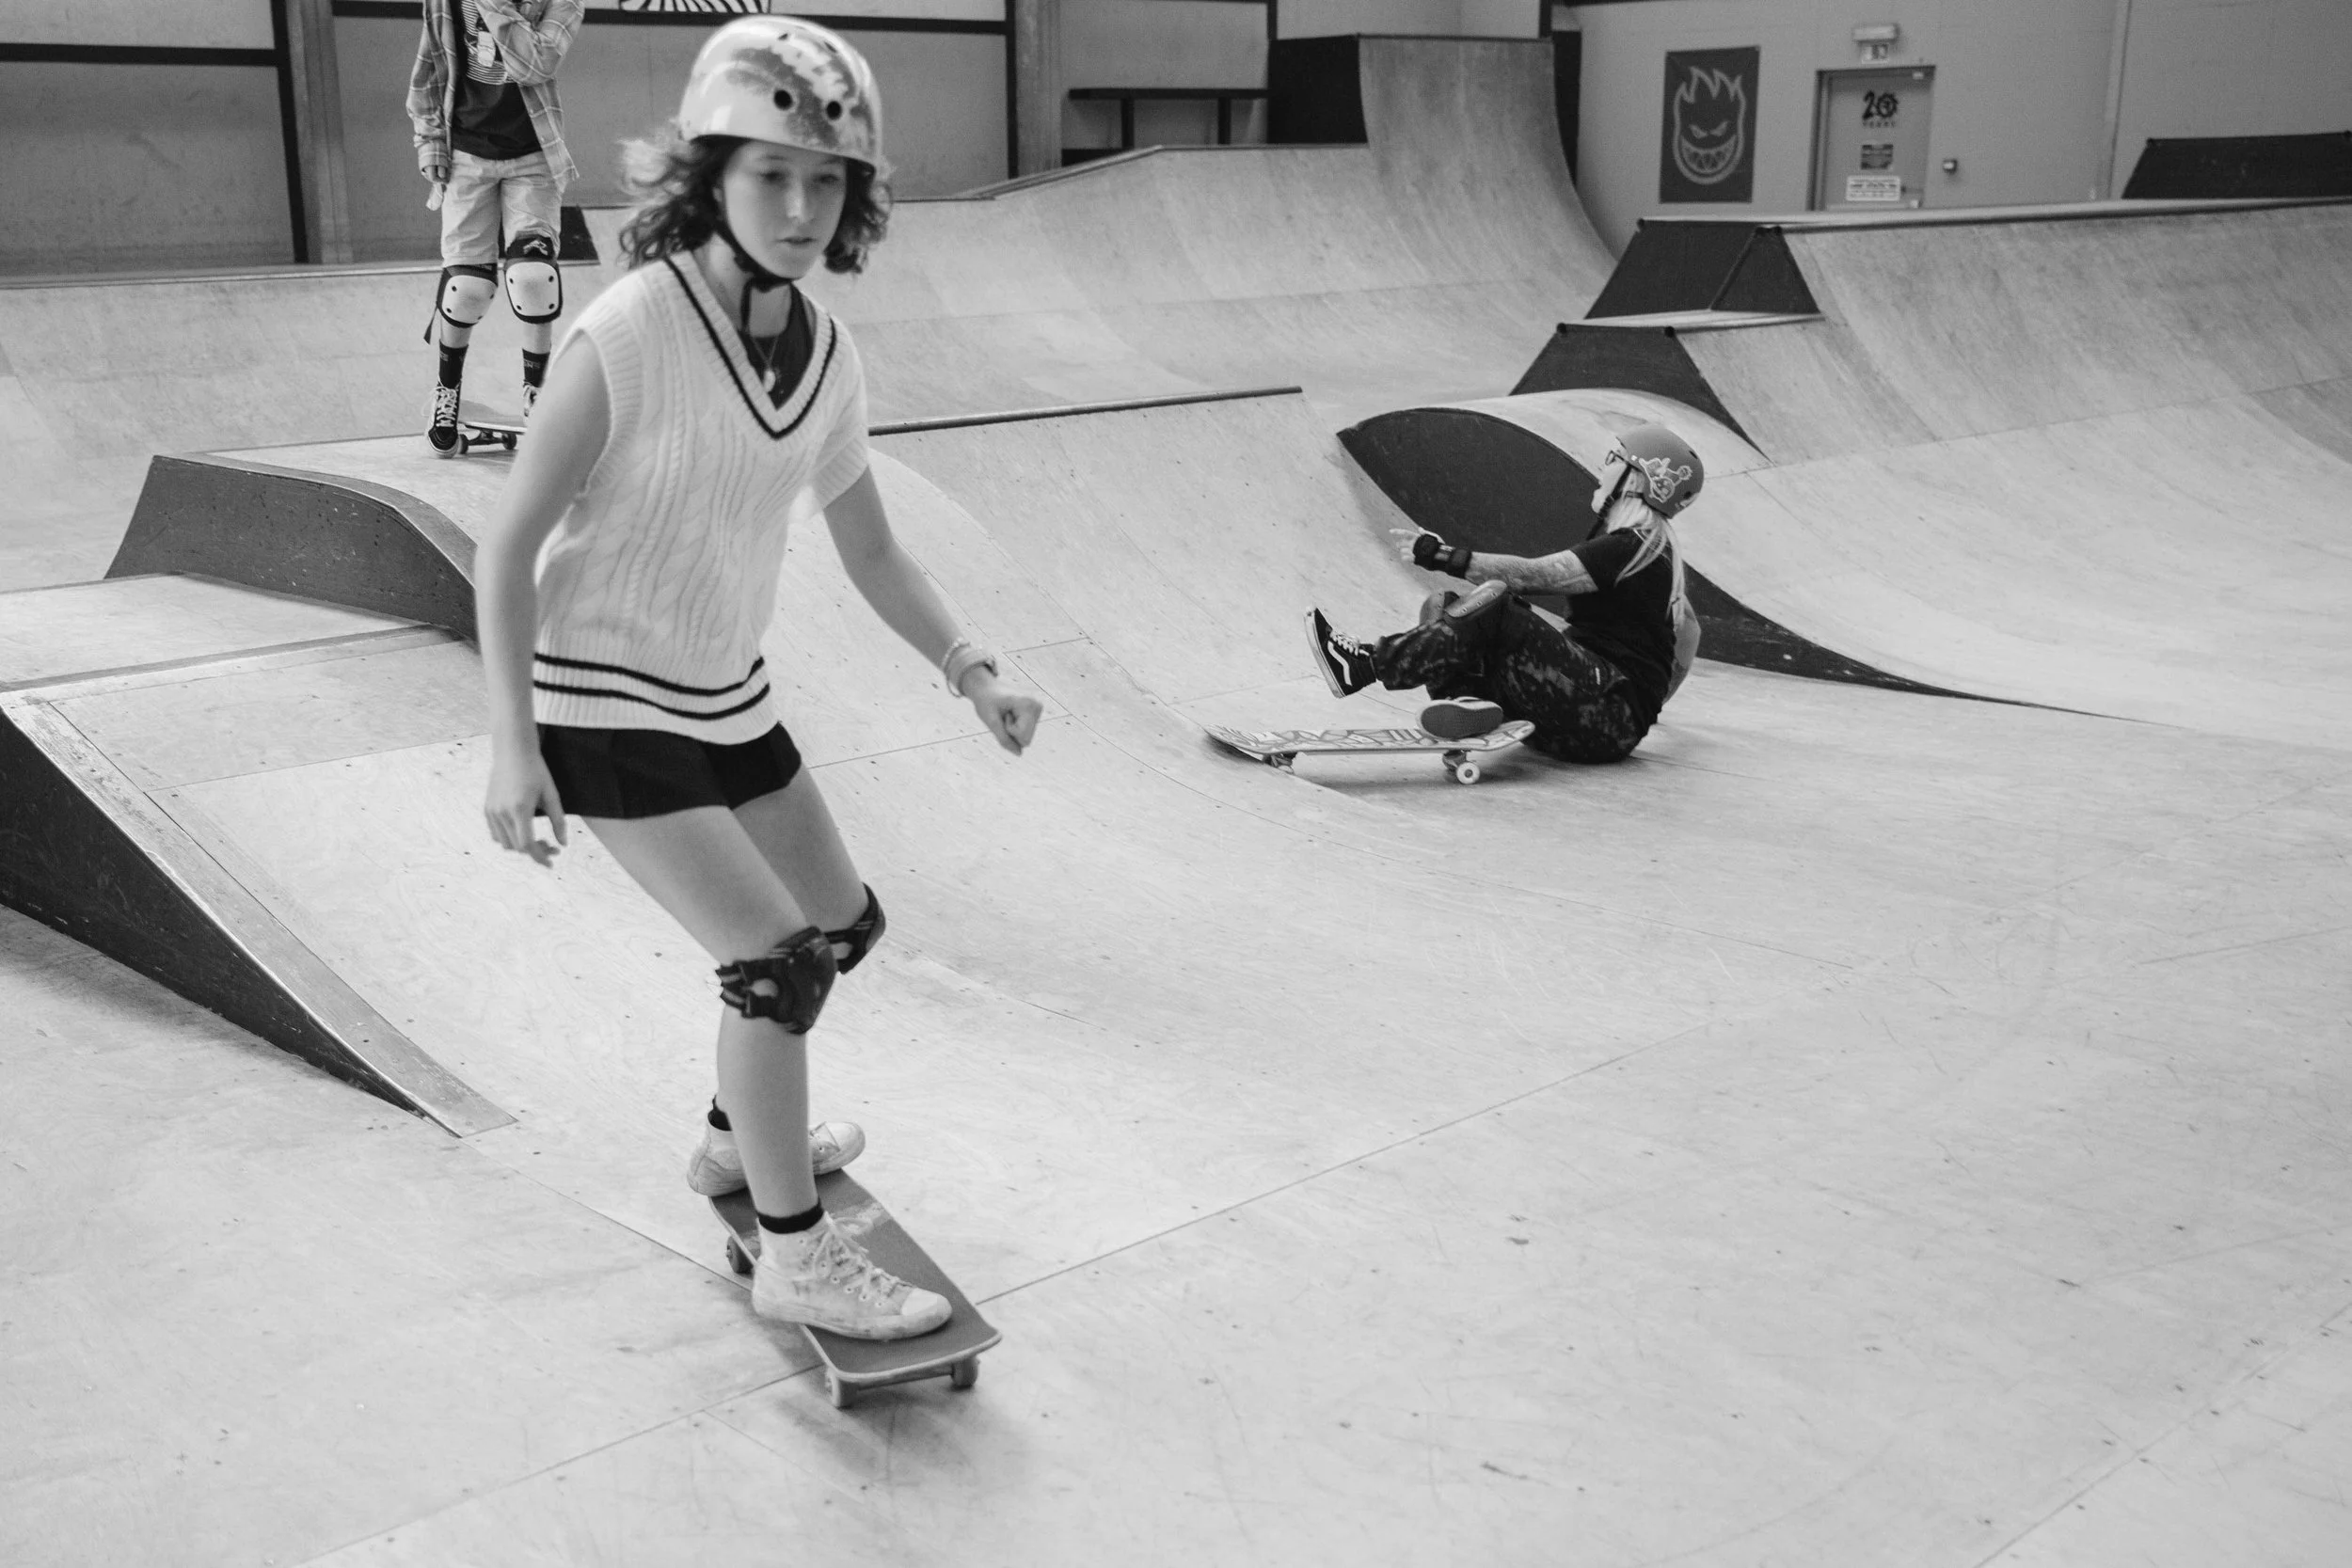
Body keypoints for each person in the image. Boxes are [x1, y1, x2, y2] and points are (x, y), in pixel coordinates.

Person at [474, 16, 1043, 1340]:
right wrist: (511, 746)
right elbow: (507, 546)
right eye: (770, 173)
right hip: (598, 701)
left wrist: (974, 667)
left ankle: (743, 1139)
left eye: (826, 180)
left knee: (839, 928)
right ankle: (792, 1252)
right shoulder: (625, 333)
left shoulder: (832, 358)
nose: (798, 206)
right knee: (775, 969)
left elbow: (874, 545)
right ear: (708, 172)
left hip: (725, 694)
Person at [1304, 423, 1707, 764]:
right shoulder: (1651, 552)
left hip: (1605, 716)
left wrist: (1444, 555)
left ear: (1637, 479)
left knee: (1497, 600)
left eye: (1612, 460)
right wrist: (1653, 707)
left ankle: (1365, 664)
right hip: (1590, 714)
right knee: (1442, 605)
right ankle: (1467, 706)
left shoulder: (1637, 545)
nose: (1601, 471)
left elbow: (1533, 576)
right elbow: (1688, 629)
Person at [408, 0, 585, 454]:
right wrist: (430, 147)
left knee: (533, 278)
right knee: (465, 288)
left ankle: (537, 396)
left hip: (534, 157)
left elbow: (534, 64)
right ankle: (446, 392)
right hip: (467, 156)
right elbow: (427, 76)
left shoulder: (560, 2)